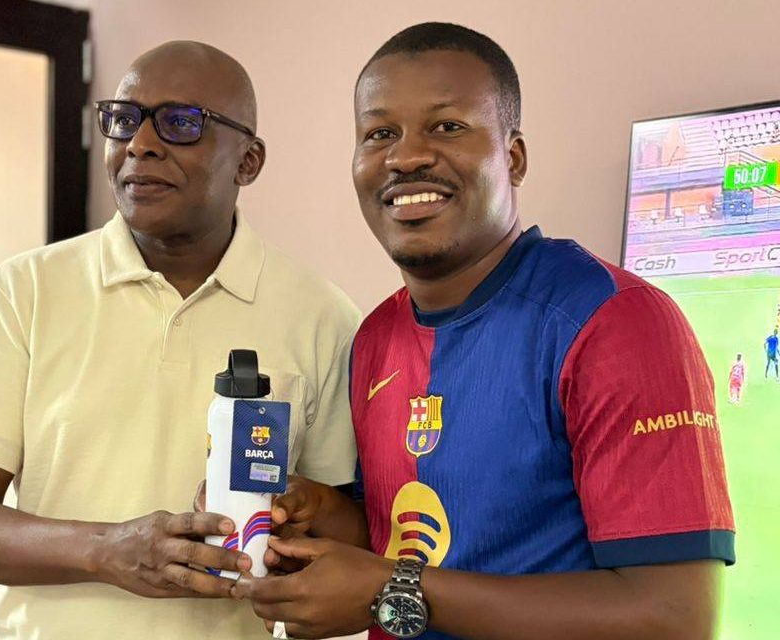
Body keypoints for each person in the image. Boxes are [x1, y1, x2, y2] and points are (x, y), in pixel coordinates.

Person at [236, 23, 735, 640]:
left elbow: (675, 617)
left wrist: (391, 591)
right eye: (380, 133)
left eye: (447, 126)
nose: (406, 157)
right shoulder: (376, 336)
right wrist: (319, 517)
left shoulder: (615, 323)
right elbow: (405, 537)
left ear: (513, 157)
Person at [0, 41, 360, 640]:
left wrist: (295, 526)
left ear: (248, 161)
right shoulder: (27, 290)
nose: (140, 144)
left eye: (181, 122)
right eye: (123, 120)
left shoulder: (321, 316)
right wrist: (108, 549)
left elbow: (345, 534)